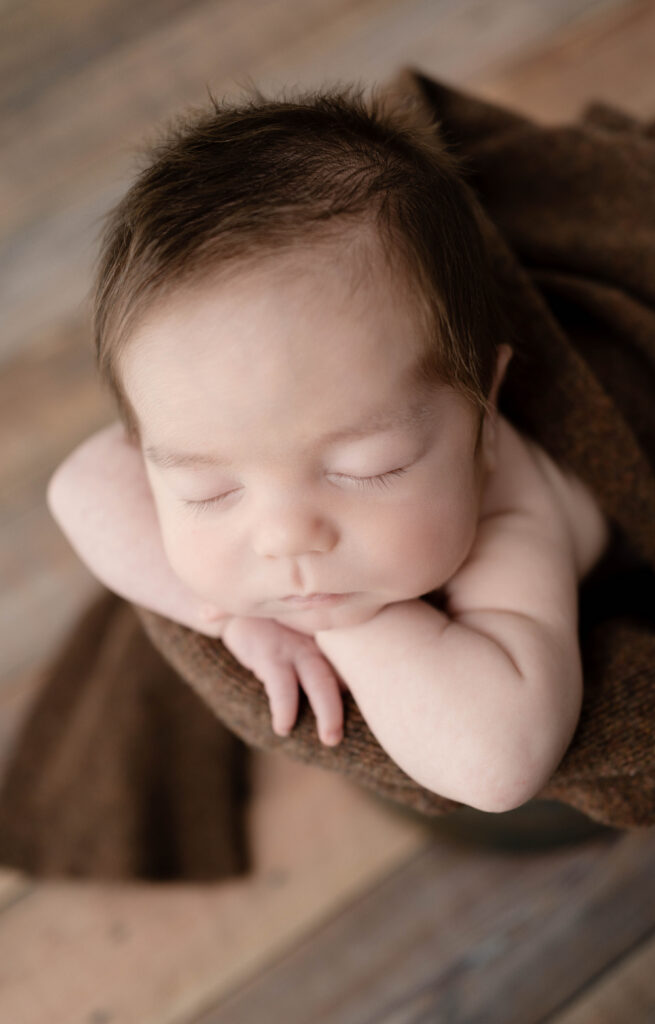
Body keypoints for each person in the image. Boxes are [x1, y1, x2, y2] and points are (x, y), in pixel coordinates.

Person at [46, 82, 611, 815]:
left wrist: (336, 624)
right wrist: (233, 618)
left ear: (484, 412)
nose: (286, 537)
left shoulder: (513, 516)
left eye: (363, 468)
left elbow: (495, 765)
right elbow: (79, 486)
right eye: (208, 491)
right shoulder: (224, 416)